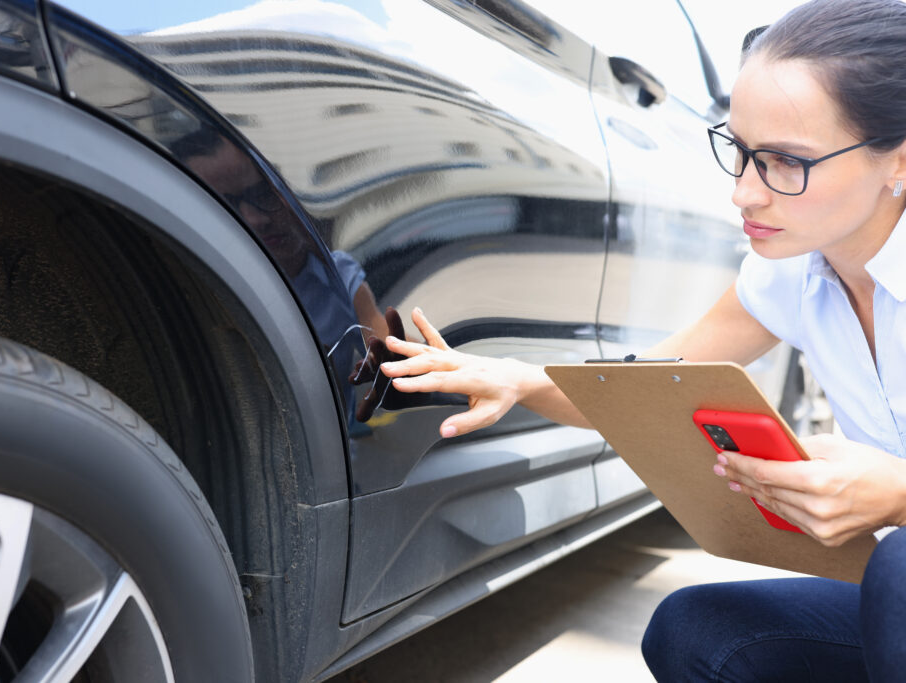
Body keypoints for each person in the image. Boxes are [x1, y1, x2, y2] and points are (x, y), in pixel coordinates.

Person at [378, 0, 906, 679]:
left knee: (896, 569)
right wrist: (516, 377)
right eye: (741, 152)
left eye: (783, 163)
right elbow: (649, 385)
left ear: (897, 163)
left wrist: (896, 494)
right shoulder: (792, 275)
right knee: (697, 631)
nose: (745, 193)